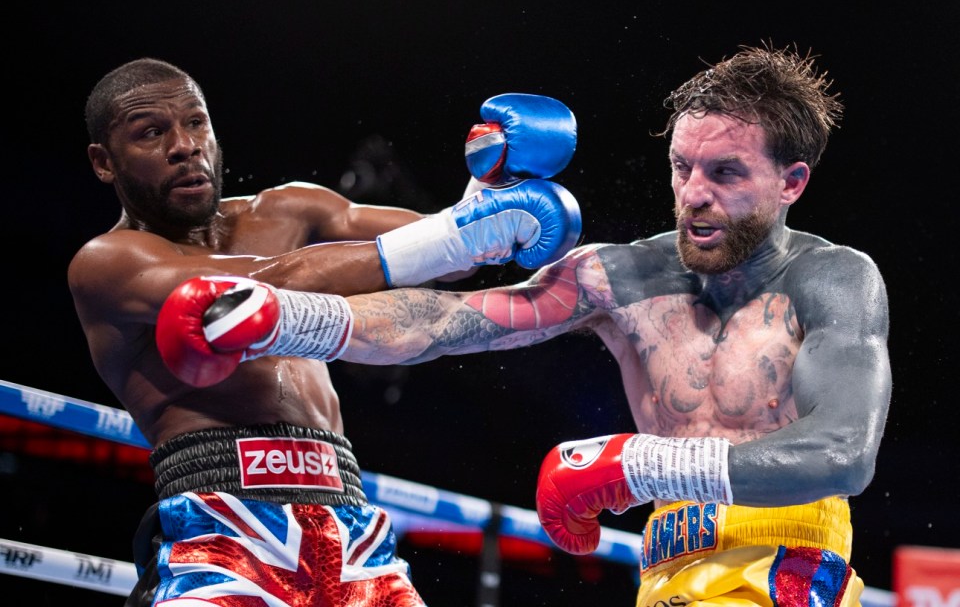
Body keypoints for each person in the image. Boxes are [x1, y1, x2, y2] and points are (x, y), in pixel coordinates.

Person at [161, 44, 892, 606]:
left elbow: (845, 451)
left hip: (789, 573)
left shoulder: (831, 280)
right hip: (666, 575)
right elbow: (449, 321)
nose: (693, 195)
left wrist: (636, 465)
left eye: (725, 174)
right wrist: (289, 320)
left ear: (791, 182)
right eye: (681, 168)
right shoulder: (623, 277)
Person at [67, 56, 583, 606]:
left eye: (196, 122)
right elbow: (257, 290)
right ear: (104, 162)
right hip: (223, 526)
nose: (184, 145)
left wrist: (490, 188)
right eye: (151, 133)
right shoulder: (106, 263)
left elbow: (445, 253)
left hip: (352, 531)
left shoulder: (292, 209)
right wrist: (465, 234)